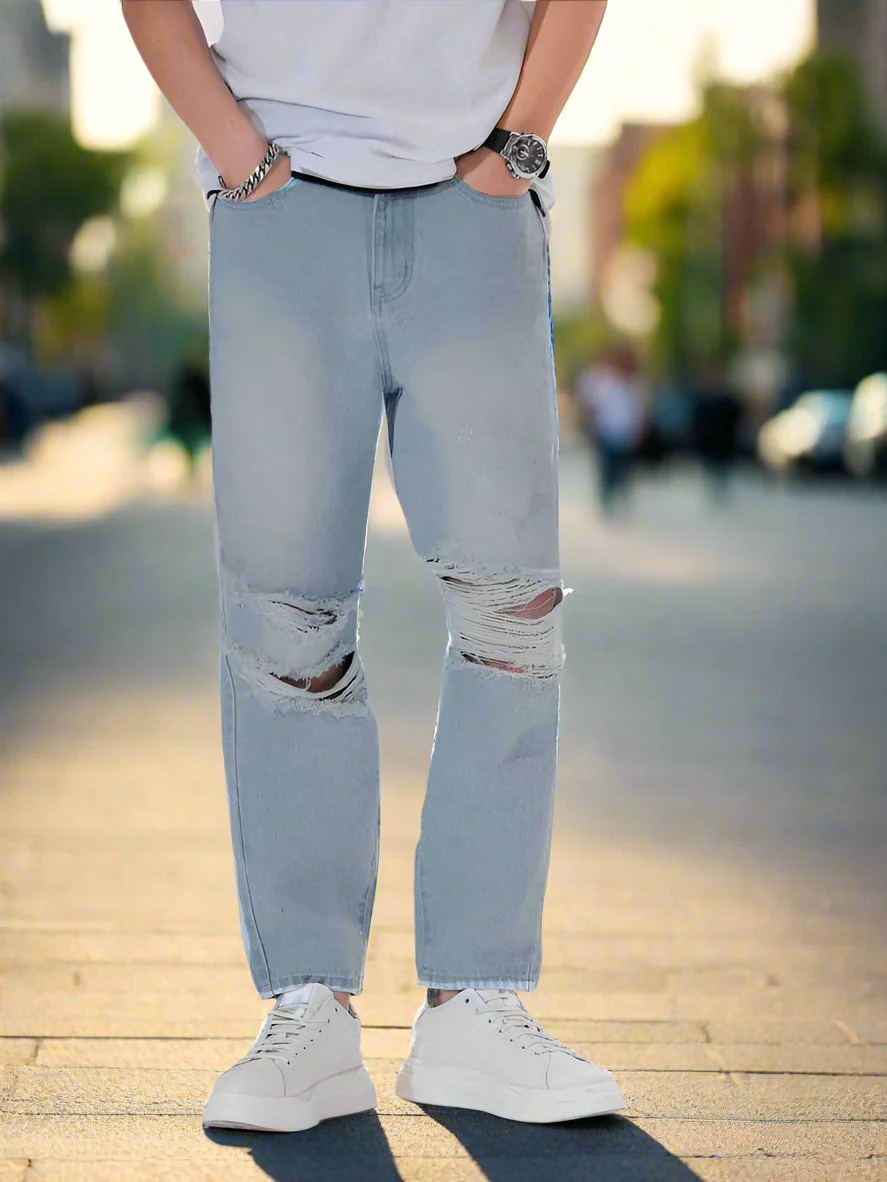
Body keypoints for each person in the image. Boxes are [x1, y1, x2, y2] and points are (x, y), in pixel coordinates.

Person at [123, 0, 624, 1133]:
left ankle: (475, 1005)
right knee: (284, 621)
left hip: (476, 198)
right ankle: (309, 1008)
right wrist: (243, 159)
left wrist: (516, 148)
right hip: (280, 197)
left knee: (512, 611)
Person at [576, 346, 646, 516]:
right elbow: (592, 405)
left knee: (623, 470)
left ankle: (622, 498)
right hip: (607, 432)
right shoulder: (605, 383)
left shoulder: (634, 385)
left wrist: (638, 430)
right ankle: (607, 500)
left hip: (625, 433)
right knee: (607, 468)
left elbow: (639, 411)